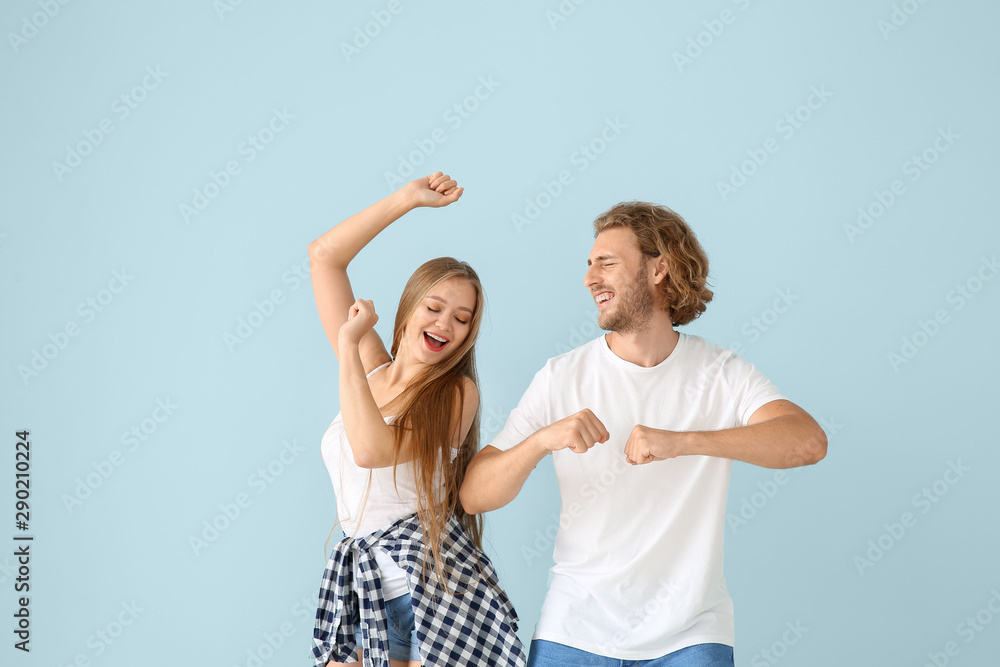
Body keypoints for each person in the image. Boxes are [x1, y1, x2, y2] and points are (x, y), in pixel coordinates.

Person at [460, 201, 828, 667]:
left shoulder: (720, 372)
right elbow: (474, 494)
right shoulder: (561, 376)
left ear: (660, 268)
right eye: (589, 265)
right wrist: (540, 441)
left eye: (607, 263)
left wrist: (684, 441)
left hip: (692, 633)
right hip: (574, 629)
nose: (591, 278)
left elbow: (807, 441)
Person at [309, 172, 526, 667]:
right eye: (435, 307)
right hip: (361, 579)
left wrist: (346, 345)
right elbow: (324, 257)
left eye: (462, 318)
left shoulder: (455, 394)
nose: (445, 324)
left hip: (421, 587)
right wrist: (407, 199)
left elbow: (371, 451)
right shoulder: (371, 370)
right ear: (408, 311)